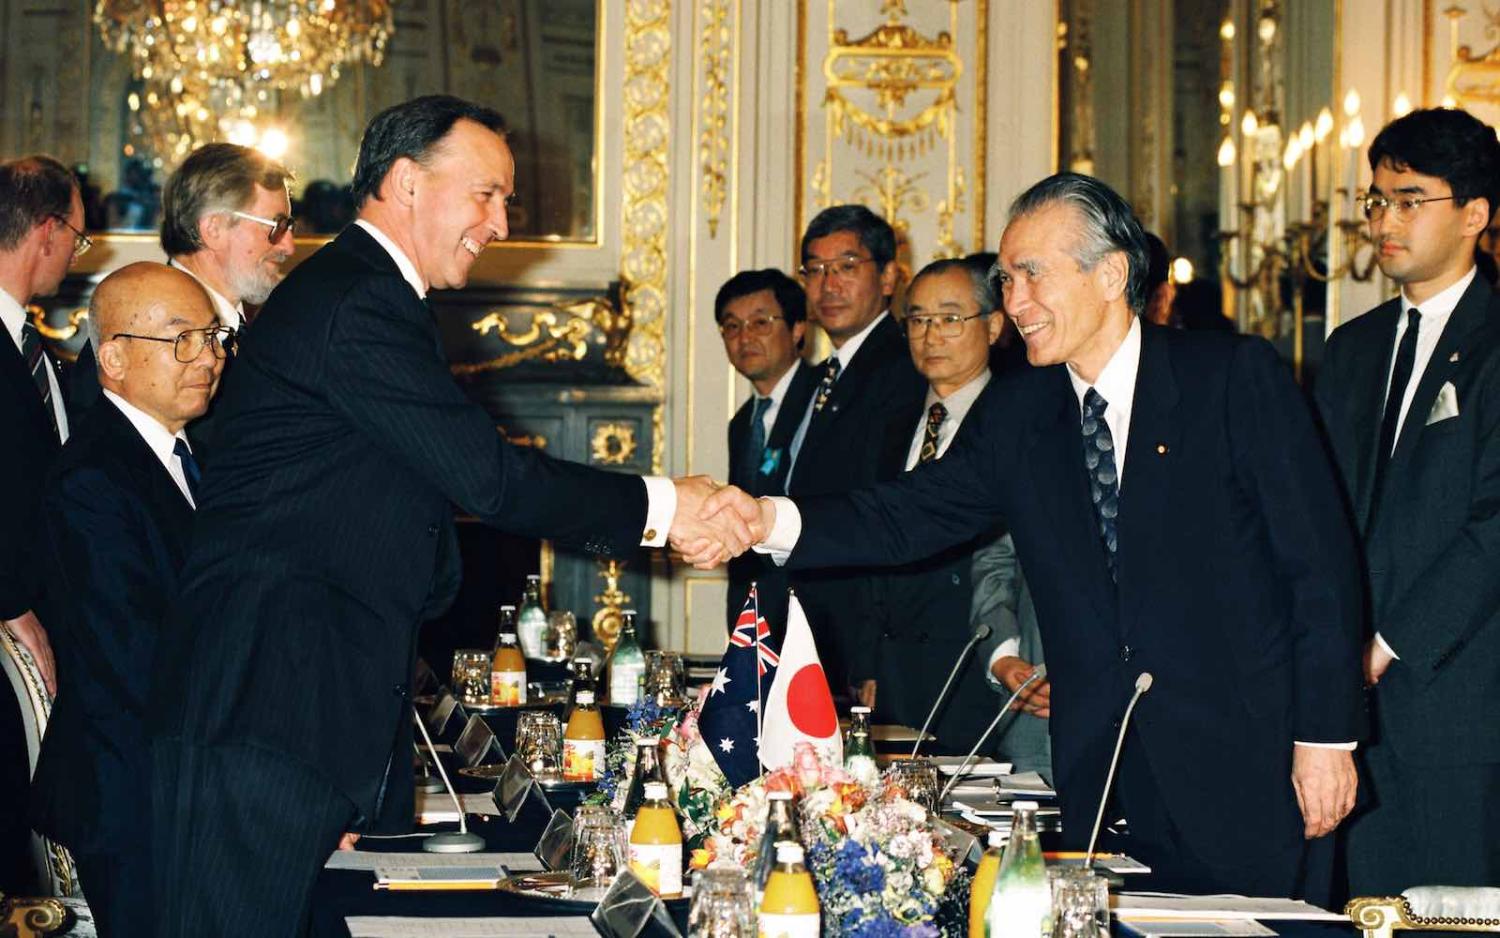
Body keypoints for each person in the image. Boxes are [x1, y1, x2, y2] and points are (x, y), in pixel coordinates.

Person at [144, 95, 747, 937]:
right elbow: (491, 480)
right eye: (487, 195)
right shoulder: (357, 303)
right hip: (270, 715)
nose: (501, 222)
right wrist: (669, 505)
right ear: (406, 183)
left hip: (311, 707)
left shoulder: (370, 295)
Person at [710, 172, 1366, 899]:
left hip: (1253, 765)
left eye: (1031, 276)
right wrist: (769, 518)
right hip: (1102, 779)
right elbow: (911, 513)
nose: (1013, 302)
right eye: (1005, 278)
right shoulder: (1023, 410)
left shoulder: (1231, 379)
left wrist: (1326, 739)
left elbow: (1321, 573)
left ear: (1111, 273)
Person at [1314, 107, 1500, 893]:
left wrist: (1386, 643)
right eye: (1376, 200)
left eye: (1409, 199)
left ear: (1475, 214)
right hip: (1343, 712)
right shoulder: (1351, 349)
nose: (1385, 220)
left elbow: (1494, 530)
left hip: (1456, 705)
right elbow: (1314, 517)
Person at [31, 263, 227, 936]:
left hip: (173, 777)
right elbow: (138, 658)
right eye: (182, 340)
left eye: (211, 336)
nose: (209, 357)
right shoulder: (93, 479)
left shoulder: (181, 456)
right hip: (135, 795)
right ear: (112, 357)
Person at [853, 256, 1008, 754]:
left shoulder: (1018, 420)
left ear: (995, 325)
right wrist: (868, 660)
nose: (930, 335)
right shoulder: (890, 420)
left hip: (979, 661)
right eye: (918, 320)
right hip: (896, 672)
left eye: (949, 319)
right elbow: (870, 542)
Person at [784, 204, 924, 698]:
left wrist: (868, 656)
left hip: (860, 635)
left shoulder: (902, 368)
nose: (828, 285)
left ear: (888, 277)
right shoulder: (827, 373)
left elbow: (881, 510)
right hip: (820, 623)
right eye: (815, 270)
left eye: (846, 267)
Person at [0, 155, 83, 894]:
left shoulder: (40, 358)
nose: (75, 254)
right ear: (49, 231)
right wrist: (13, 605)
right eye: (79, 239)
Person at [72, 142, 295, 411]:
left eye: (289, 227)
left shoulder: (256, 330)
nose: (288, 247)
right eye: (277, 227)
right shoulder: (135, 332)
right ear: (214, 228)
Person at [718, 268, 820, 635]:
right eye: (731, 326)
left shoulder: (825, 399)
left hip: (811, 613)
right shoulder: (743, 421)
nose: (744, 337)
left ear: (797, 329)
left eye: (760, 323)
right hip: (756, 614)